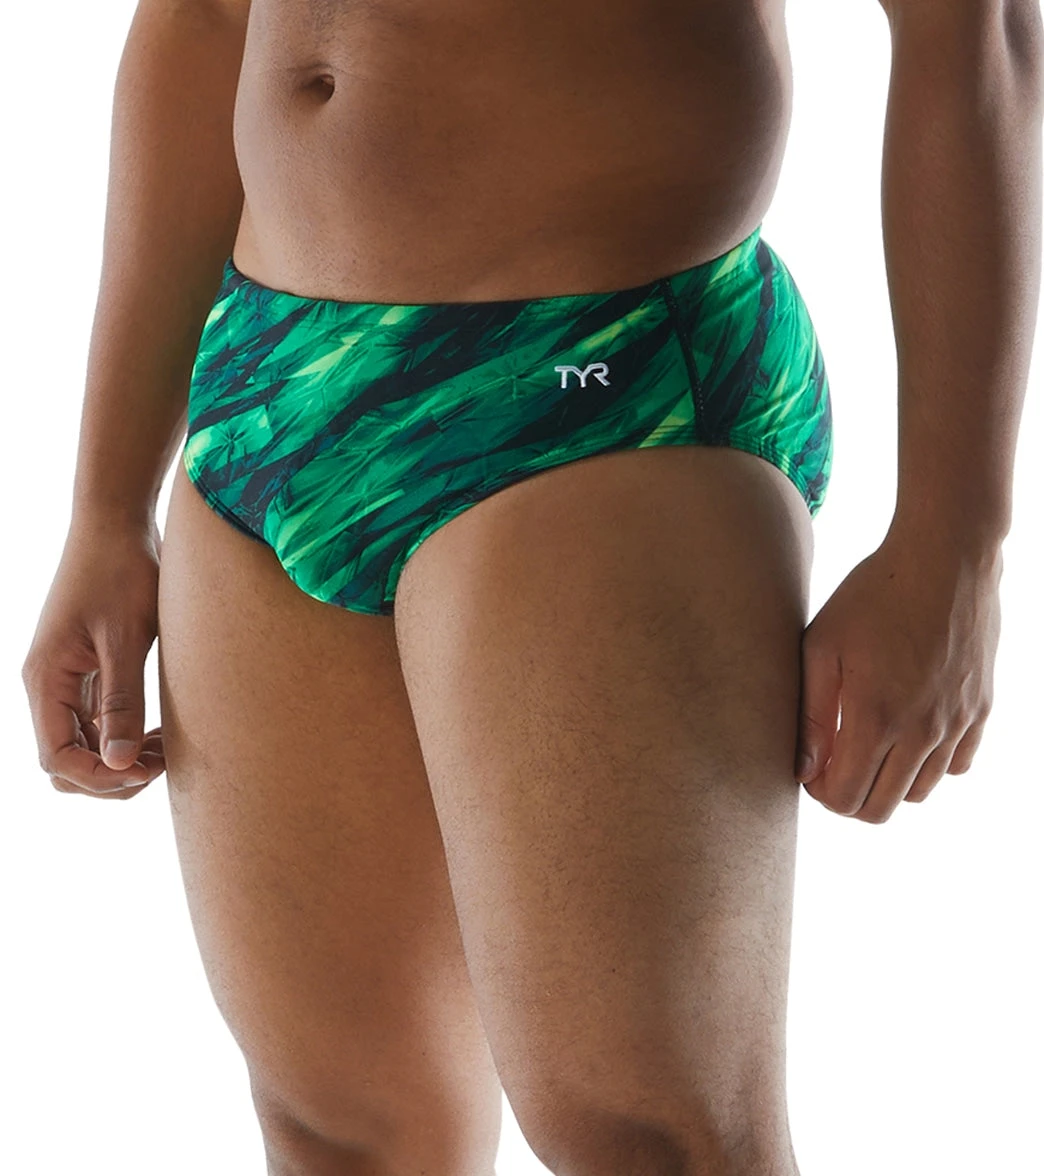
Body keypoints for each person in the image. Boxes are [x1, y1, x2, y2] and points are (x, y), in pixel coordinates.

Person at [19, 0, 1041, 1172]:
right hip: (268, 385)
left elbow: (974, 28)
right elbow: (203, 18)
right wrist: (106, 510)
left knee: (647, 1138)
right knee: (345, 1131)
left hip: (591, 379)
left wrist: (956, 548)